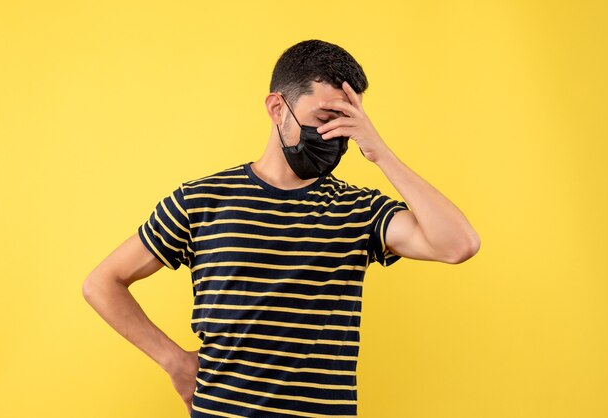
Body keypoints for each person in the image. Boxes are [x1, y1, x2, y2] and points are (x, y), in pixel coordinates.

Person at [83, 39, 480, 418]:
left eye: (345, 123)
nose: (332, 136)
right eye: (324, 119)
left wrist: (381, 153)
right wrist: (174, 361)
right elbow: (102, 283)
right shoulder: (202, 199)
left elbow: (458, 244)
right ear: (277, 107)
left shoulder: (359, 210)